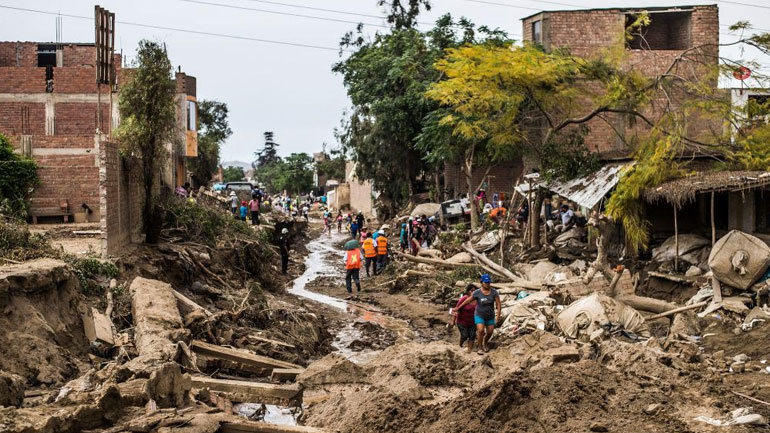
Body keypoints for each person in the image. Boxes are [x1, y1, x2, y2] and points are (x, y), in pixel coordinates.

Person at [454, 274, 501, 354]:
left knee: (490, 332)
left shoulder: (494, 292)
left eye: (488, 282)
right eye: (485, 282)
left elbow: (498, 304)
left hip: (490, 315)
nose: (487, 284)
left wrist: (498, 315)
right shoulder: (477, 292)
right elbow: (468, 300)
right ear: (482, 282)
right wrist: (458, 308)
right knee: (481, 330)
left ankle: (485, 343)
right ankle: (479, 348)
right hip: (479, 315)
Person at [450, 285, 477, 353]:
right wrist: (453, 321)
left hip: (473, 322)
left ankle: (469, 350)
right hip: (462, 321)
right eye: (471, 290)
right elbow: (456, 309)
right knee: (464, 335)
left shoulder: (477, 299)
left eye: (475, 291)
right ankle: (460, 345)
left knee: (472, 336)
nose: (473, 292)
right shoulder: (464, 298)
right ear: (468, 291)